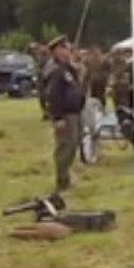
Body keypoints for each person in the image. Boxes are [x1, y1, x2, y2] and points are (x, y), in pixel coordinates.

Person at [43, 36, 86, 192]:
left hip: (74, 112)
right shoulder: (56, 71)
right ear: (57, 51)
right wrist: (58, 117)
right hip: (65, 114)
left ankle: (65, 176)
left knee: (73, 144)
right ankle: (62, 179)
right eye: (65, 48)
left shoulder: (68, 69)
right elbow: (53, 95)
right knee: (65, 146)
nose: (69, 51)